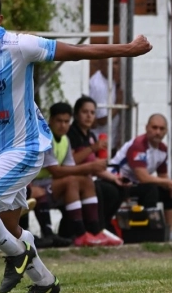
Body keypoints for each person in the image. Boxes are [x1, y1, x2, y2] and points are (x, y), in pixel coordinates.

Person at [0, 0, 151, 293]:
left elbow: (78, 51)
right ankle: (44, 282)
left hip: (26, 147)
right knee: (9, 227)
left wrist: (128, 49)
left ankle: (18, 255)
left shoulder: (19, 45)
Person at [31, 102, 122, 247]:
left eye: (66, 121)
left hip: (52, 184)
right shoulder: (45, 138)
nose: (63, 125)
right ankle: (80, 234)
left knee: (85, 181)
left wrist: (88, 169)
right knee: (72, 181)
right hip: (35, 183)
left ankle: (95, 231)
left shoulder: (65, 140)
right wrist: (89, 166)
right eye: (59, 121)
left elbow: (69, 167)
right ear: (50, 120)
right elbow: (56, 171)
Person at [108, 114, 172, 243]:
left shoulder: (163, 149)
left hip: (135, 183)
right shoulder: (138, 145)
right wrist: (168, 182)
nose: (157, 132)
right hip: (116, 181)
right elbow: (143, 177)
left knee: (168, 192)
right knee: (151, 189)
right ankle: (150, 231)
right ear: (147, 128)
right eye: (154, 128)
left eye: (161, 129)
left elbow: (163, 175)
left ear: (166, 131)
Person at [67, 95, 126, 232]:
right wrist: (92, 149)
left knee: (119, 188)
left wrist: (115, 178)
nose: (89, 116)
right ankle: (96, 229)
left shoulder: (91, 136)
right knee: (100, 189)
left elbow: (94, 166)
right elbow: (71, 161)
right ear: (76, 114)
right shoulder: (71, 133)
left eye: (92, 113)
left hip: (91, 176)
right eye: (85, 112)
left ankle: (106, 224)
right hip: (76, 177)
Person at [89, 57, 120, 148]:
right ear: (101, 65)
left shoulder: (110, 80)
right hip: (99, 143)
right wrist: (118, 105)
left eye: (116, 63)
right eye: (109, 64)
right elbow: (101, 120)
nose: (113, 67)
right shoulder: (99, 85)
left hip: (109, 141)